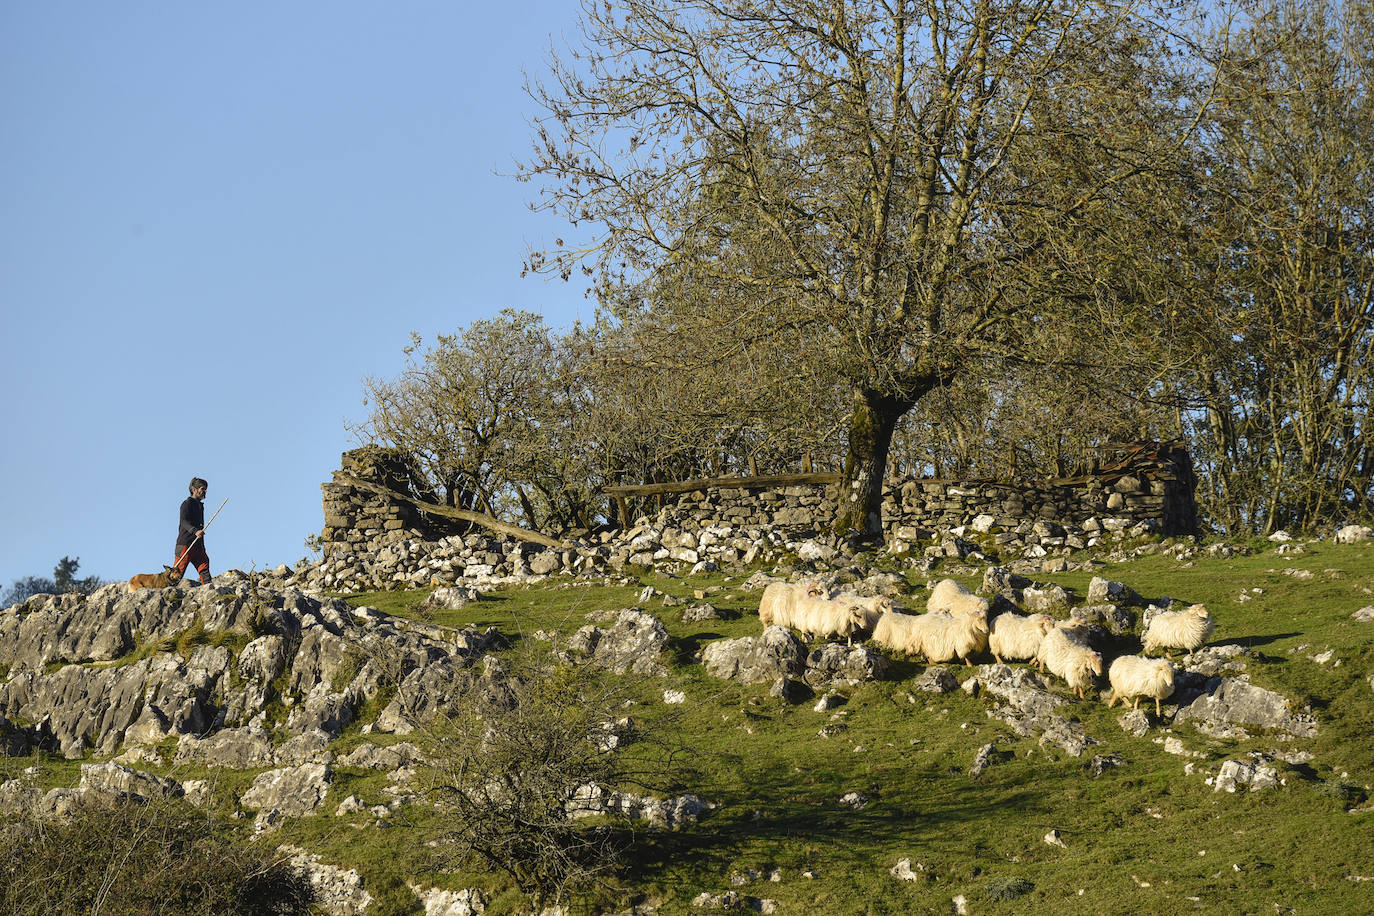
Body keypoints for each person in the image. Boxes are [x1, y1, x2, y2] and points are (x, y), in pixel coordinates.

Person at [174, 477, 213, 585]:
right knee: (177, 574)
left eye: (206, 489)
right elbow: (183, 521)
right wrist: (195, 531)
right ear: (194, 489)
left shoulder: (200, 506)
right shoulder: (187, 504)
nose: (205, 492)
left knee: (204, 564)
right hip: (185, 544)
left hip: (198, 545)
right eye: (202, 489)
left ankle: (208, 589)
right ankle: (168, 597)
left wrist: (202, 545)